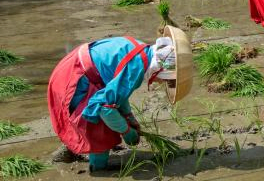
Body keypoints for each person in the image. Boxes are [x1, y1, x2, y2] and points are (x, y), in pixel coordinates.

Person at [47, 26, 192, 172]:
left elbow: (117, 92)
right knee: (98, 125)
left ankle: (73, 149)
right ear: (161, 70)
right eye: (165, 80)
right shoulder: (136, 69)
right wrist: (126, 131)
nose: (161, 83)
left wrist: (129, 117)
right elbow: (106, 107)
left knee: (112, 116)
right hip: (73, 79)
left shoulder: (141, 51)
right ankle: (98, 167)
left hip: (72, 66)